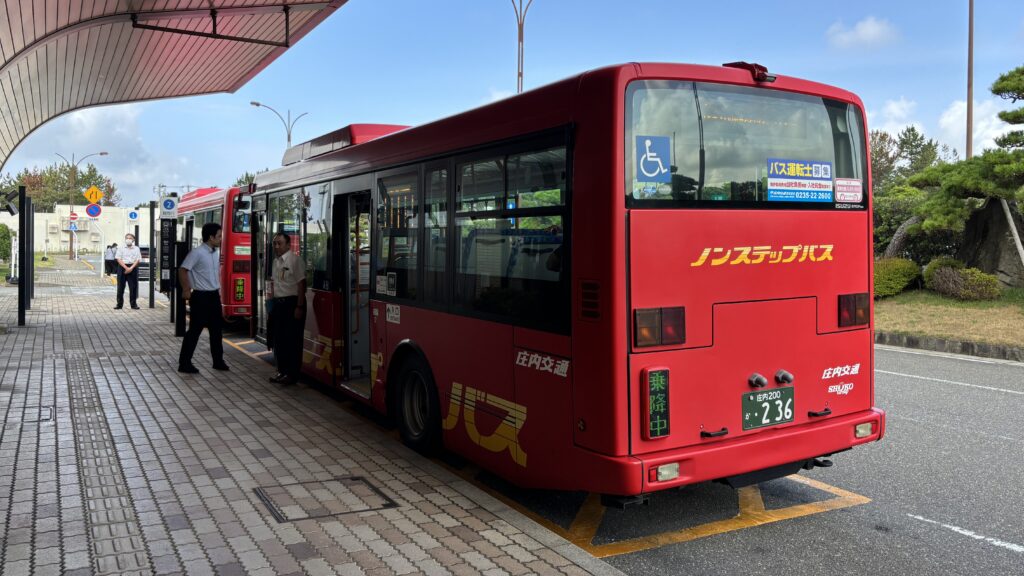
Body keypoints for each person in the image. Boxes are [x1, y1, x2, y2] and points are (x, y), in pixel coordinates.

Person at [177, 223, 229, 374]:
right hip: (200, 297)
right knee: (194, 331)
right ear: (211, 237)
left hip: (214, 296)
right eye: (219, 236)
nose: (221, 239)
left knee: (216, 331)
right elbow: (182, 270)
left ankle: (218, 361)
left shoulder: (215, 253)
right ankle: (184, 363)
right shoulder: (197, 253)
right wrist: (186, 289)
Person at [269, 231, 306, 385]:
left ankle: (292, 375)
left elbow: (301, 285)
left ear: (288, 245)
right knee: (279, 340)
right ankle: (282, 371)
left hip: (292, 304)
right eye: (275, 243)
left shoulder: (295, 261)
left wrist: (299, 307)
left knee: (292, 341)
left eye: (280, 243)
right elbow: (274, 284)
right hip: (279, 304)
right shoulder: (275, 262)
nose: (277, 246)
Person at [115, 236, 141, 309]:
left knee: (133, 287)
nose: (128, 239)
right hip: (122, 267)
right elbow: (118, 259)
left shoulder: (136, 248)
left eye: (130, 238)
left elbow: (138, 259)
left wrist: (131, 268)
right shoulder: (121, 248)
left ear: (133, 240)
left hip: (133, 267)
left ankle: (133, 304)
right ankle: (119, 304)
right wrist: (126, 268)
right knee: (120, 287)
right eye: (127, 238)